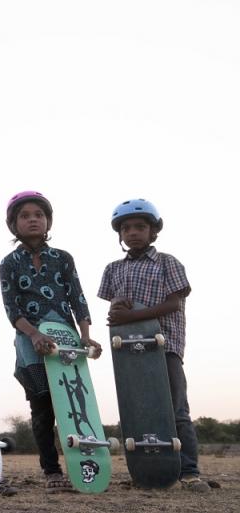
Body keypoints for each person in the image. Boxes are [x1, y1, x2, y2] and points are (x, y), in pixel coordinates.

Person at [98, 199, 209, 492]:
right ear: (119, 234)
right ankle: (147, 471)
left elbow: (173, 303)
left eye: (140, 227)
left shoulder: (168, 262)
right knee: (137, 410)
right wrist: (118, 310)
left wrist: (132, 314)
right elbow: (114, 310)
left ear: (154, 232)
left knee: (175, 410)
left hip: (164, 345)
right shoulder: (113, 269)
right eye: (126, 228)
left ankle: (189, 471)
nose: (133, 232)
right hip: (129, 353)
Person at [0, 191, 101, 493]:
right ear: (14, 225)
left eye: (39, 215)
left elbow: (78, 299)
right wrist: (34, 334)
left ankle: (87, 466)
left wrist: (86, 336)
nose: (33, 219)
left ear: (48, 221)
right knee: (42, 406)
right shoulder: (9, 262)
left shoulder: (63, 259)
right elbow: (11, 308)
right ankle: (51, 469)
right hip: (31, 343)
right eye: (25, 215)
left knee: (76, 404)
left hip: (67, 342)